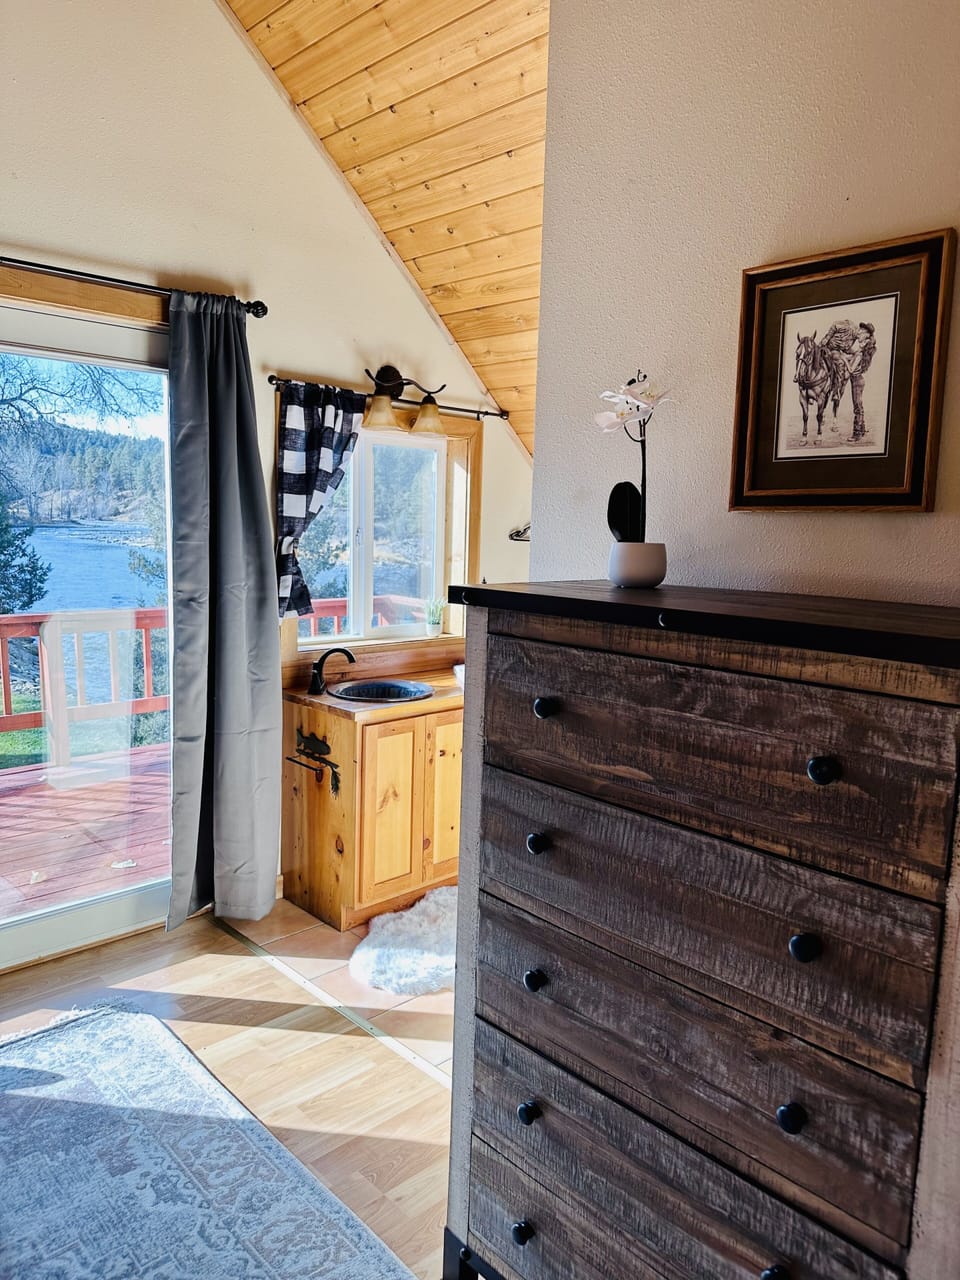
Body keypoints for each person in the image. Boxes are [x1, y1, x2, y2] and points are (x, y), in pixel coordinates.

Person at [822, 320, 877, 441]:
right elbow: (849, 356)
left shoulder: (859, 354)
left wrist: (842, 357)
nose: (860, 341)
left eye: (864, 340)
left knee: (857, 407)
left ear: (866, 339)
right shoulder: (858, 352)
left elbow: (851, 369)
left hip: (856, 381)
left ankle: (857, 434)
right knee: (859, 405)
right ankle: (862, 429)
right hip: (857, 381)